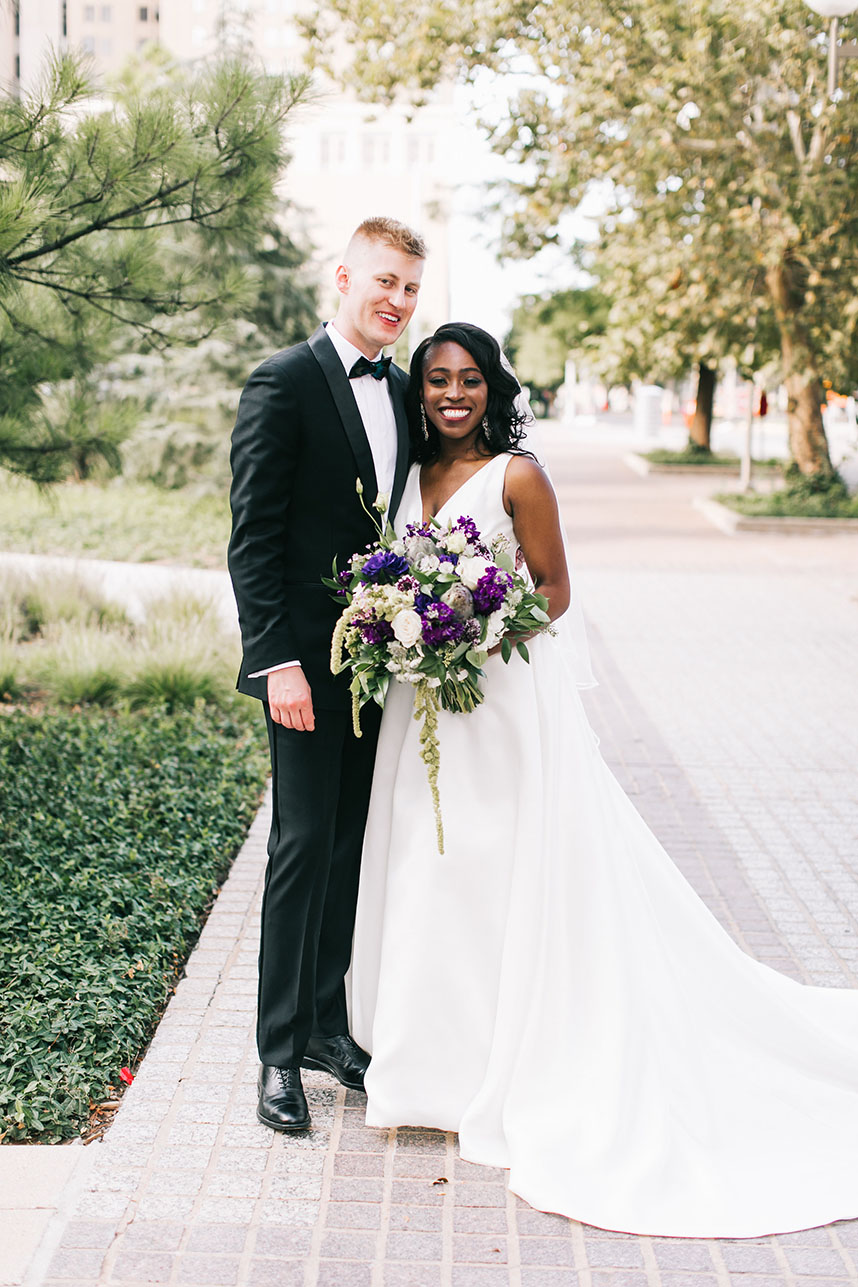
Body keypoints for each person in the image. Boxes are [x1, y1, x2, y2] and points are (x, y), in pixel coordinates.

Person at [350, 322, 858, 1238]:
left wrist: (473, 631)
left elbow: (555, 588)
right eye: (437, 380)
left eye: (469, 379)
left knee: (507, 871)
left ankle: (507, 1061)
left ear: (492, 387)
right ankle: (435, 1066)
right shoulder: (407, 478)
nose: (453, 394)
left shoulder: (518, 475)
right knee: (437, 872)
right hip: (424, 711)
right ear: (418, 392)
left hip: (501, 705)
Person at [228, 216, 426, 1132]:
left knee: (349, 842)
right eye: (383, 281)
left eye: (411, 289)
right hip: (304, 666)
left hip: (376, 664)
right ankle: (275, 1057)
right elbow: (253, 540)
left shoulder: (402, 392)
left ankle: (323, 1026)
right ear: (344, 276)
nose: (396, 301)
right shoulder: (283, 381)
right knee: (301, 845)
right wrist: (276, 662)